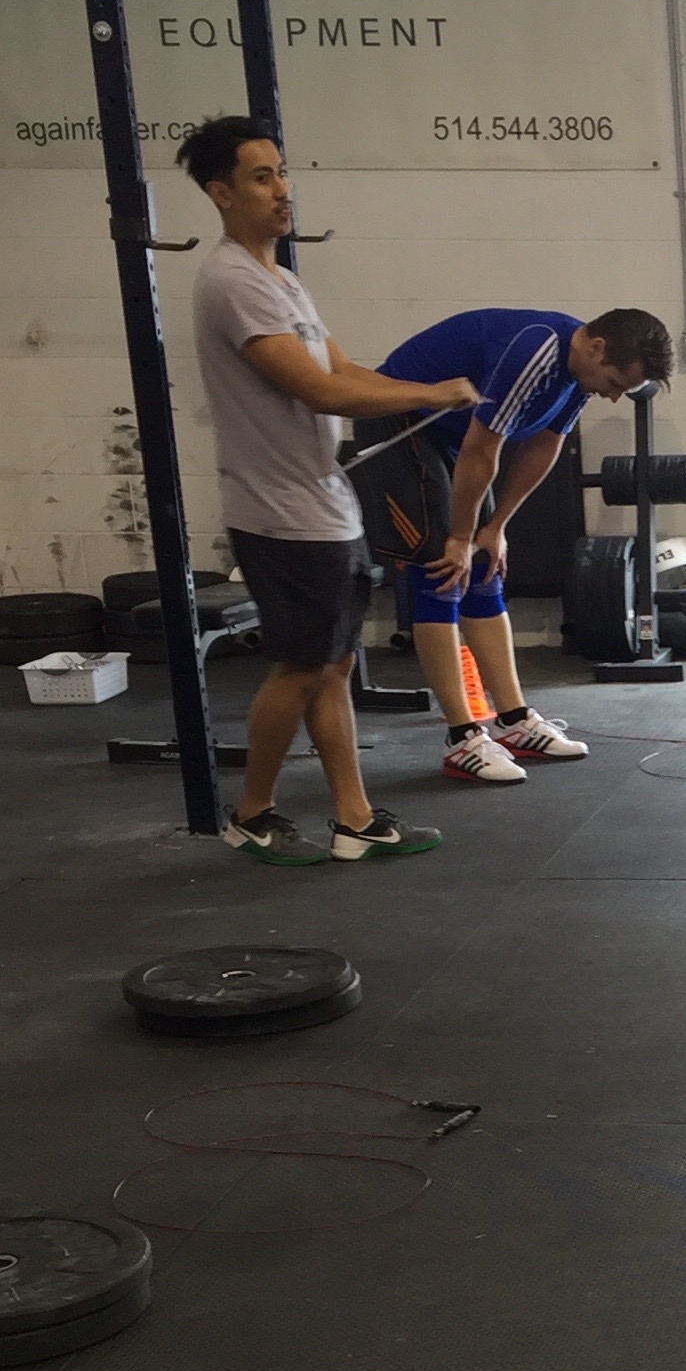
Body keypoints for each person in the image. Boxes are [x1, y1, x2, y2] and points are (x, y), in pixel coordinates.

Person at [180, 114, 475, 861]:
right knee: (302, 668)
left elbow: (343, 369)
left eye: (282, 173)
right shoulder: (233, 282)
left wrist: (425, 394)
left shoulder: (282, 281)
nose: (283, 190)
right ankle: (252, 813)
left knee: (335, 665)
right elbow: (315, 390)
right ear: (220, 193)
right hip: (277, 510)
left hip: (320, 502)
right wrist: (434, 394)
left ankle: (354, 818)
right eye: (261, 178)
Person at [360, 303, 672, 784]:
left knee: (483, 569)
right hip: (401, 421)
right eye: (615, 383)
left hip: (452, 438)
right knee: (441, 571)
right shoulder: (536, 350)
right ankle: (462, 738)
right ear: (597, 347)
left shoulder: (577, 375)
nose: (613, 397)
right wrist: (459, 536)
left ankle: (513, 721)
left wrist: (495, 527)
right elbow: (483, 448)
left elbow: (544, 446)